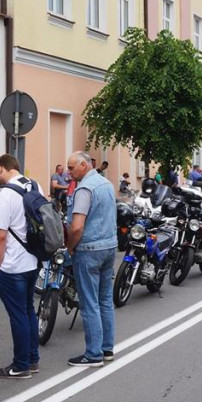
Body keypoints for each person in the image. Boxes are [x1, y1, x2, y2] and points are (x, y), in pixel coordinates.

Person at [0, 154, 41, 379]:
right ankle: (33, 360)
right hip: (33, 260)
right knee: (28, 310)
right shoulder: (34, 185)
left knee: (18, 314)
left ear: (1, 168)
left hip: (13, 265)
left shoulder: (4, 194)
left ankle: (20, 367)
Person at [65, 151, 118, 368]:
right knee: (105, 300)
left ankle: (93, 354)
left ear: (84, 166)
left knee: (89, 302)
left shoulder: (84, 189)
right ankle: (107, 349)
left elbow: (77, 226)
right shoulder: (106, 184)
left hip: (89, 250)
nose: (69, 173)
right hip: (109, 246)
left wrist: (70, 247)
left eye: (71, 168)